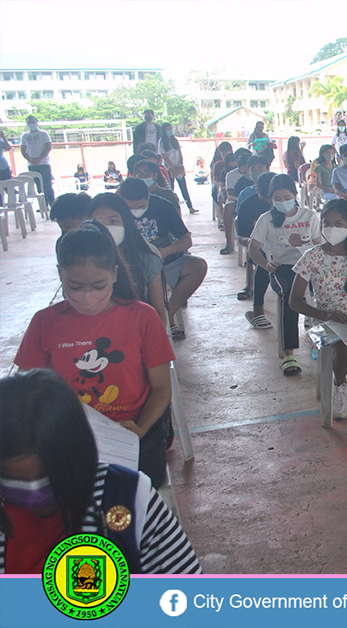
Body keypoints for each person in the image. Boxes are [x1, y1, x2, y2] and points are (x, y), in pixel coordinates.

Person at [14, 222, 174, 488]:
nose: (87, 295)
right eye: (74, 286)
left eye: (98, 285)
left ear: (114, 274)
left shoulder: (142, 317)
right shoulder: (44, 323)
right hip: (70, 435)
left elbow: (161, 390)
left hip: (134, 432)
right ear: (60, 274)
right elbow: (28, 391)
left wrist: (139, 430)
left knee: (131, 504)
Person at [0, 368, 201, 574]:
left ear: (80, 457)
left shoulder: (127, 498)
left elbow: (189, 595)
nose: (34, 491)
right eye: (14, 481)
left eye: (49, 478)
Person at [290, 199, 347, 416]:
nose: (331, 228)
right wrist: (326, 314)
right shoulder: (312, 256)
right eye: (327, 223)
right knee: (345, 351)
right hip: (327, 318)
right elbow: (294, 301)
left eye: (338, 223)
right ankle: (340, 384)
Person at [117, 178, 206, 341]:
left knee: (198, 266)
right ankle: (137, 324)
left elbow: (186, 240)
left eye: (141, 206)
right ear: (121, 198)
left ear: (149, 196)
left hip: (164, 258)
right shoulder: (114, 211)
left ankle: (168, 313)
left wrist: (165, 251)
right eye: (131, 207)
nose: (136, 210)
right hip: (129, 263)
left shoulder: (163, 206)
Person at [248, 174, 319, 376]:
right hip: (283, 267)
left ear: (295, 194)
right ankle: (288, 353)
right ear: (270, 198)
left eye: (286, 197)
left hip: (310, 265)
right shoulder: (266, 220)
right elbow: (253, 248)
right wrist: (265, 264)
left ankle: (322, 338)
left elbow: (319, 243)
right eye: (277, 199)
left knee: (328, 290)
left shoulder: (309, 216)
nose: (282, 202)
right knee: (288, 297)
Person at [90, 193, 168, 329]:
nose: (106, 228)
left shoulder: (147, 261)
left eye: (113, 221)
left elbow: (159, 313)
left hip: (137, 333)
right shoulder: (83, 263)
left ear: (126, 222)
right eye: (99, 223)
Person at [238, 172, 276, 316]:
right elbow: (241, 236)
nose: (271, 202)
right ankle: (258, 307)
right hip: (259, 246)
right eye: (267, 198)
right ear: (257, 190)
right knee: (263, 261)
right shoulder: (247, 205)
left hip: (285, 245)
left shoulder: (286, 204)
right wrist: (250, 241)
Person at [158, 123, 195, 213]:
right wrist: (172, 167)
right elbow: (164, 157)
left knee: (184, 188)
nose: (170, 131)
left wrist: (181, 166)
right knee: (171, 188)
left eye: (171, 129)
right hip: (169, 169)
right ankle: (172, 208)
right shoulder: (161, 142)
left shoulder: (175, 141)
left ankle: (190, 207)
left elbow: (180, 154)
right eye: (168, 129)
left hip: (178, 168)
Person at [20, 115, 55, 206]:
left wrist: (39, 159)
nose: (31, 124)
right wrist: (30, 160)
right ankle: (43, 205)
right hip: (32, 164)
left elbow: (48, 147)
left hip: (44, 163)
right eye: (29, 123)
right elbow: (23, 150)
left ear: (37, 123)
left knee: (47, 185)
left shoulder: (43, 134)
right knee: (38, 185)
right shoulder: (25, 136)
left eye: (32, 122)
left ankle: (53, 204)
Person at [221, 152, 251, 254]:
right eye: (244, 168)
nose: (246, 170)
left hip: (256, 201)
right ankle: (229, 243)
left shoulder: (259, 172)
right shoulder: (231, 175)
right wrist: (241, 199)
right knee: (228, 207)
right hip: (238, 201)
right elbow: (229, 195)